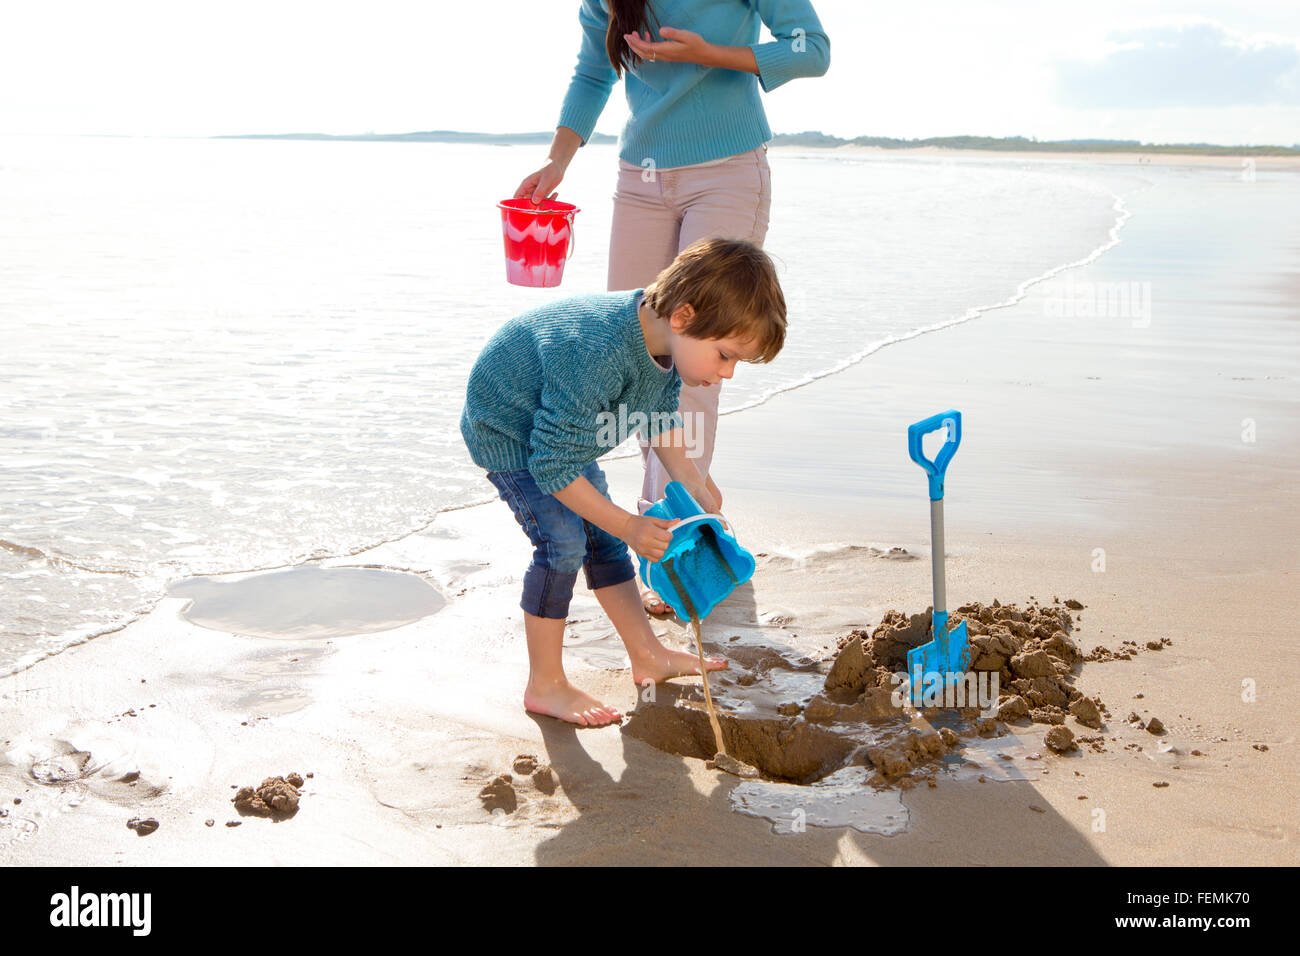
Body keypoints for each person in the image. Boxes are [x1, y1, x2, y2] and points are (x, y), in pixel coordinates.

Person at [515, 0, 829, 614]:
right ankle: (665, 518)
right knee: (635, 350)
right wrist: (558, 159)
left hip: (728, 171)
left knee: (695, 365)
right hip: (640, 178)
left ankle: (674, 529)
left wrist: (708, 55)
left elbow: (812, 48)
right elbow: (591, 73)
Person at [461, 238, 786, 727]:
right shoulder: (596, 351)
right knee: (563, 545)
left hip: (568, 439)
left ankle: (647, 654)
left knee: (604, 539)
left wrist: (694, 480)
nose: (728, 374)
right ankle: (545, 684)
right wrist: (632, 527)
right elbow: (551, 465)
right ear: (683, 317)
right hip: (515, 435)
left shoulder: (663, 342)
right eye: (725, 356)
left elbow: (659, 415)